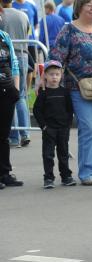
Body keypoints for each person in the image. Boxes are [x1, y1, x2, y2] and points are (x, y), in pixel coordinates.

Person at [49, 0, 92, 186]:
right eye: (89, 5)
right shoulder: (69, 30)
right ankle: (86, 171)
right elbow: (55, 58)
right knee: (89, 129)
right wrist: (49, 82)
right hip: (78, 88)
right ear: (79, 8)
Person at [33, 60, 76, 189]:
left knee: (63, 153)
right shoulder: (43, 93)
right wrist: (43, 126)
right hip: (49, 130)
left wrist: (68, 124)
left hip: (63, 129)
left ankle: (66, 176)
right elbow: (37, 110)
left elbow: (70, 109)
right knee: (48, 155)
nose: (54, 77)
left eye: (57, 74)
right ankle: (48, 178)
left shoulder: (65, 92)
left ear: (61, 75)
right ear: (45, 75)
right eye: (51, 74)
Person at [0, 0, 31, 148]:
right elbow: (29, 34)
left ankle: (14, 135)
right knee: (21, 94)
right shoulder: (23, 15)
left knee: (8, 94)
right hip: (23, 53)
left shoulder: (2, 15)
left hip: (6, 56)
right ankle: (25, 133)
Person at [0, 29, 24, 189]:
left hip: (6, 91)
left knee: (3, 136)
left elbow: (13, 63)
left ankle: (5, 173)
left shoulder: (4, 36)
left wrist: (15, 89)